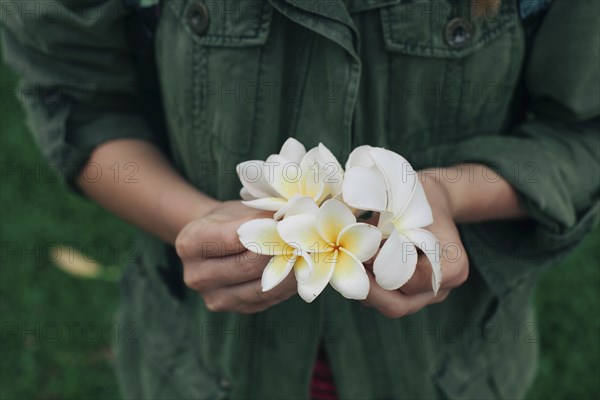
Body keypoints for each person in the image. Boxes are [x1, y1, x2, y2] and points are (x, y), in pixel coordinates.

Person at [2, 0, 598, 398]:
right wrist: (194, 220)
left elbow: (582, 131)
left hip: (445, 366)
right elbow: (74, 94)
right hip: (202, 364)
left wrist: (449, 192)